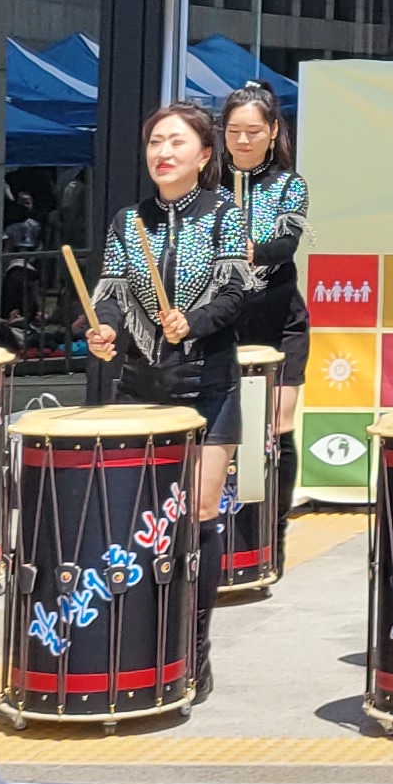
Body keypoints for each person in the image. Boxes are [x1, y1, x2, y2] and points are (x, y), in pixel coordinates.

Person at [86, 101, 253, 703]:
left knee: (197, 516)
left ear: (205, 155)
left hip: (208, 384)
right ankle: (139, 641)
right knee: (139, 520)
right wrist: (104, 329)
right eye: (156, 141)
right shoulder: (128, 220)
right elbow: (110, 293)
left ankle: (193, 645)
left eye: (177, 142)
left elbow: (234, 294)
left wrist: (195, 322)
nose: (164, 152)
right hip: (140, 385)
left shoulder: (225, 213)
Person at [218, 80, 310, 522]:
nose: (243, 140)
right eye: (233, 131)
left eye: (253, 131)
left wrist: (249, 250)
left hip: (278, 316)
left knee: (278, 422)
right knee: (224, 419)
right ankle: (228, 513)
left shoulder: (290, 184)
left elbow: (286, 244)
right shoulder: (207, 184)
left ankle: (273, 520)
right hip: (222, 319)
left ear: (273, 131)